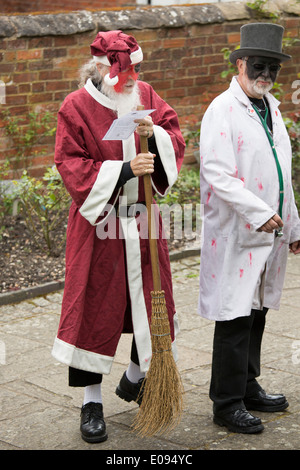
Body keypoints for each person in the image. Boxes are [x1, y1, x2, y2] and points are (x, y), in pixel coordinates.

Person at [51, 30, 185, 443]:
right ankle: (91, 402)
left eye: (134, 72)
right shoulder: (75, 107)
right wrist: (125, 170)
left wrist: (156, 136)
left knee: (150, 304)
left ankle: (135, 377)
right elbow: (69, 162)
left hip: (143, 220)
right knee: (94, 308)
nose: (130, 80)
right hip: (99, 226)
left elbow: (174, 135)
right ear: (101, 68)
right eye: (122, 72)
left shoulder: (144, 93)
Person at [198, 23, 300, 434]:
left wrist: (293, 226)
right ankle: (226, 403)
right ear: (239, 64)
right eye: (259, 65)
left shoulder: (270, 107)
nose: (266, 75)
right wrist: (257, 212)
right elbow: (218, 174)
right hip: (238, 233)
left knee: (257, 312)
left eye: (272, 68)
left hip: (270, 232)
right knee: (235, 316)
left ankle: (248, 384)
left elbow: (282, 174)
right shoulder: (221, 110)